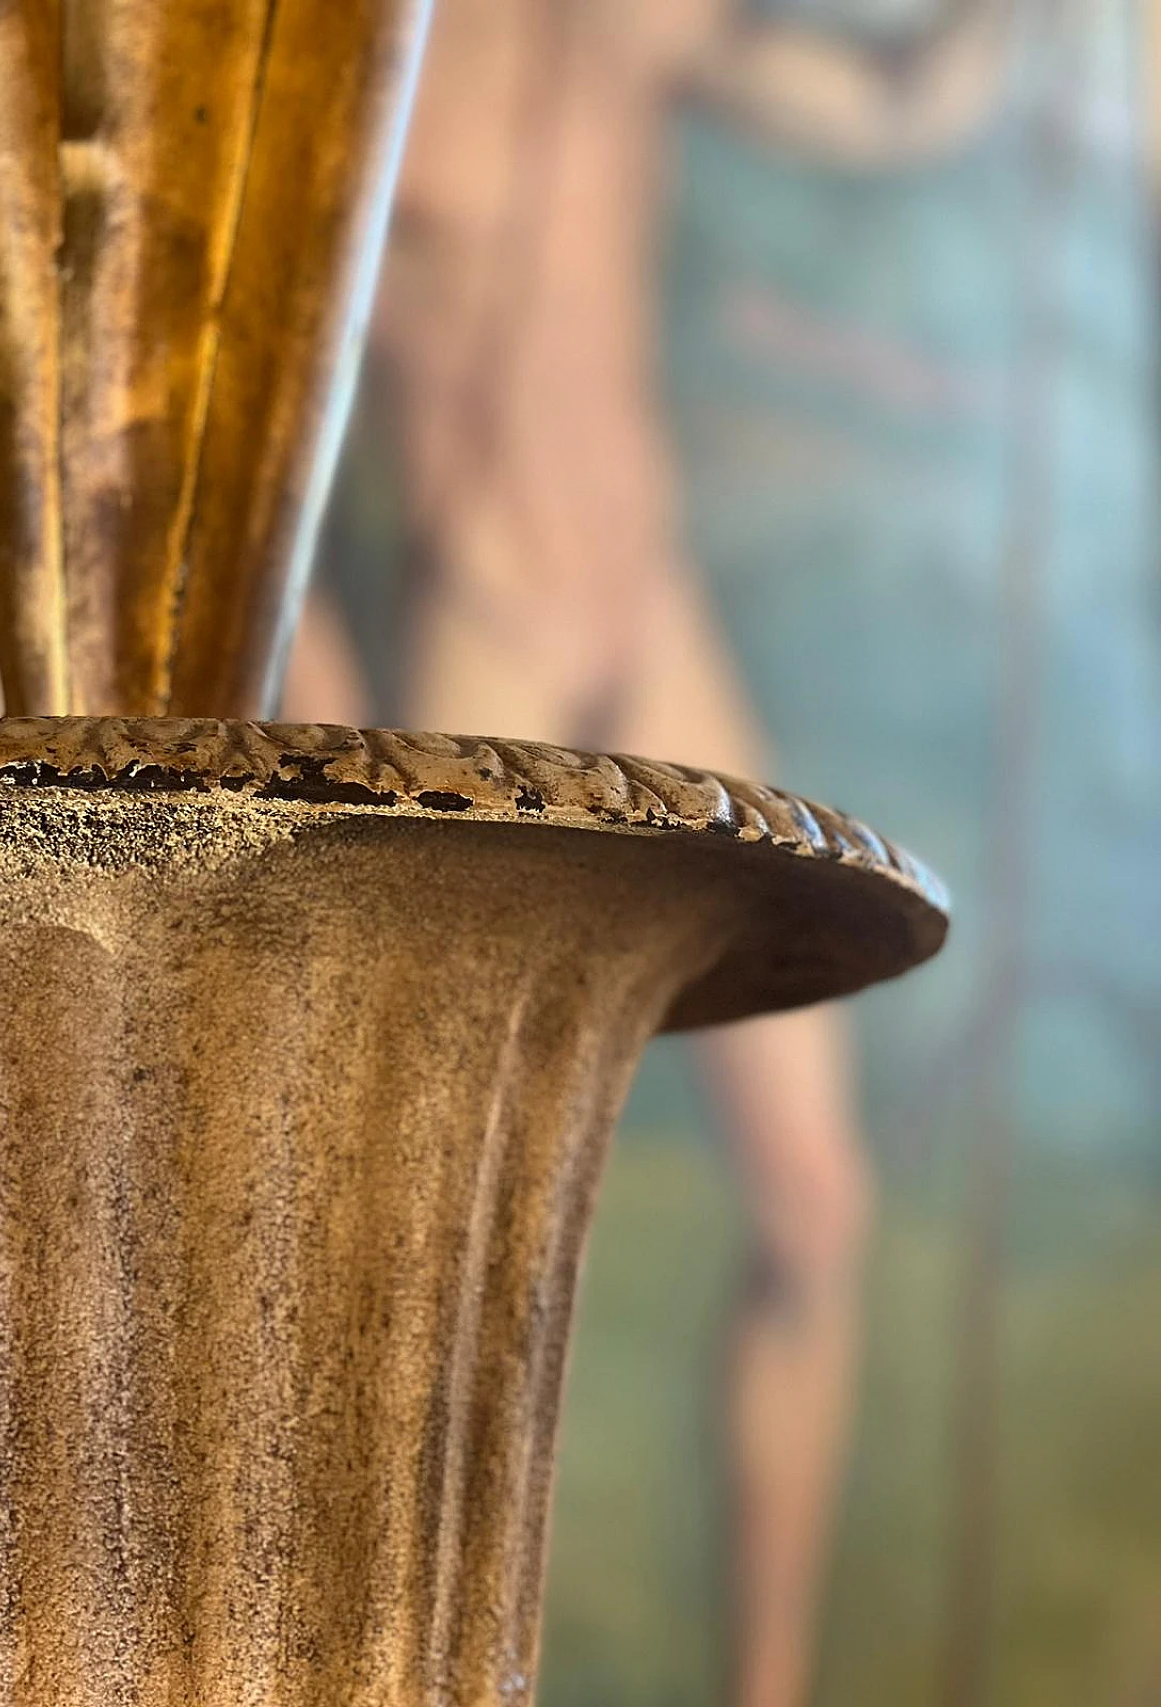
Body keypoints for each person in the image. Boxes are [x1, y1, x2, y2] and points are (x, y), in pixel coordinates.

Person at [284, 0, 1008, 1699]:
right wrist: (318, 715)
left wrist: (996, 42)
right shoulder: (347, 76)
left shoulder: (623, 20)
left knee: (817, 1202)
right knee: (435, 1246)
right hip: (492, 656)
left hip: (655, 626)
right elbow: (255, 441)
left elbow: (890, 109)